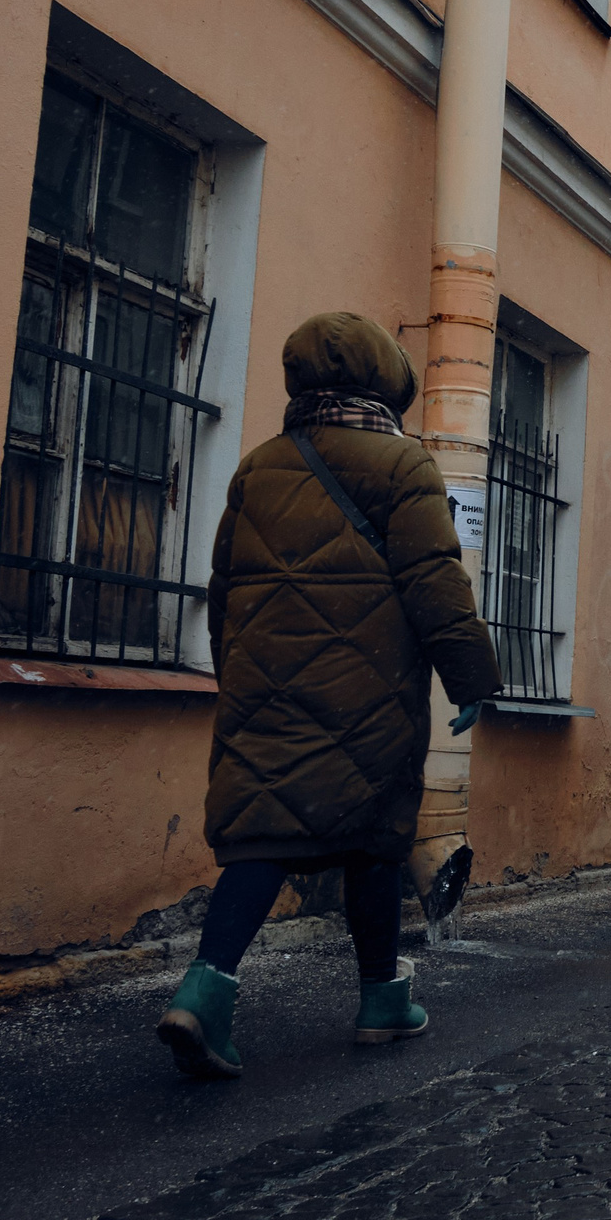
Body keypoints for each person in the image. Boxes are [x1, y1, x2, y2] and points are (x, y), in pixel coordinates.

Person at [156, 314, 502, 1079]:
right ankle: (381, 998)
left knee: (264, 835)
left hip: (265, 691)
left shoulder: (256, 467)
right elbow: (435, 586)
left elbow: (225, 589)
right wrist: (473, 678)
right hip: (367, 692)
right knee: (373, 840)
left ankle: (204, 989)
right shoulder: (404, 466)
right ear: (385, 384)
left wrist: (234, 672)